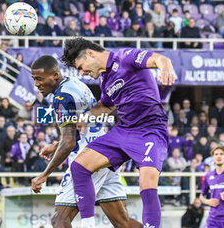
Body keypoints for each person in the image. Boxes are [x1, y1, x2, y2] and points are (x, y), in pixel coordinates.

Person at [60, 37, 175, 228]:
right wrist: (83, 117)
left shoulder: (125, 57)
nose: (82, 73)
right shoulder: (105, 80)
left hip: (150, 129)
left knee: (146, 184)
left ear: (90, 54)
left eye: (81, 67)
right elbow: (106, 105)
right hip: (123, 131)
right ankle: (87, 225)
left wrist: (166, 67)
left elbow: (158, 59)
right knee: (79, 167)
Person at [31, 55, 142, 228]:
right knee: (123, 222)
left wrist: (44, 175)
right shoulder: (75, 84)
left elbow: (69, 143)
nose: (37, 84)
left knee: (60, 219)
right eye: (34, 79)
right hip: (104, 150)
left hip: (87, 158)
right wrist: (56, 145)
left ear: (54, 75)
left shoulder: (61, 98)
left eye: (39, 78)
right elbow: (79, 128)